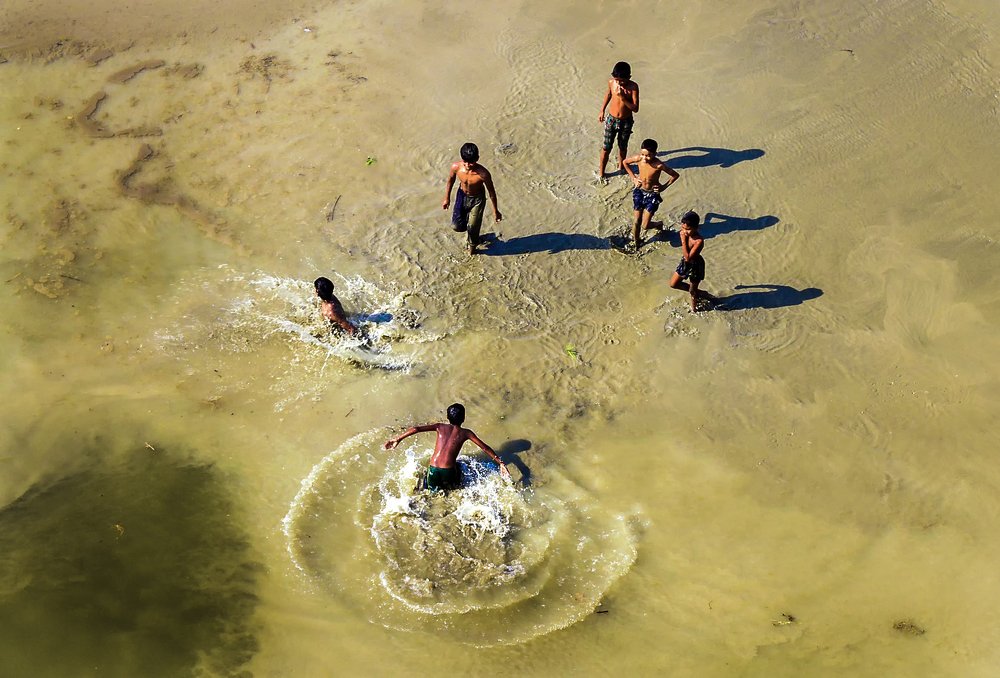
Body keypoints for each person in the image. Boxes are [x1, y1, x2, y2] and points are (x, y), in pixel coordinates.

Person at [383, 403, 512, 492]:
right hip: (448, 471)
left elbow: (416, 429)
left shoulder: (439, 427)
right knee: (458, 474)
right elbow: (484, 448)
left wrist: (397, 439)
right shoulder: (466, 433)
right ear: (464, 418)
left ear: (447, 417)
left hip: (433, 468)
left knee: (430, 491)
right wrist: (500, 462)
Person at [442, 143, 502, 255]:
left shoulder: (483, 174)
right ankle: (474, 235)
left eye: (471, 162)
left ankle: (472, 250)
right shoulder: (456, 167)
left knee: (473, 227)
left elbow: (491, 192)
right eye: (465, 162)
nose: (468, 165)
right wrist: (447, 198)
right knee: (456, 226)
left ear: (477, 159)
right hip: (462, 195)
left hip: (477, 200)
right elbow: (450, 181)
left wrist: (495, 211)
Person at [622, 138, 679, 250]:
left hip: (652, 195)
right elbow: (625, 162)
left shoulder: (659, 165)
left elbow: (675, 175)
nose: (644, 158)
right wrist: (633, 178)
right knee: (637, 221)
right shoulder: (639, 159)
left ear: (655, 154)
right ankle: (636, 243)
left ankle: (658, 224)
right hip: (639, 191)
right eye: (642, 154)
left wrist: (663, 187)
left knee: (645, 225)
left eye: (648, 155)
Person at [598, 61, 639, 182]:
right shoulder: (612, 82)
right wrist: (602, 110)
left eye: (622, 80)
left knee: (622, 146)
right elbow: (609, 94)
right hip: (611, 119)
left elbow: (635, 108)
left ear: (629, 77)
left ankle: (621, 167)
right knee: (606, 147)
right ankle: (601, 173)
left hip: (626, 121)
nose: (619, 83)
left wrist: (623, 98)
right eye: (617, 79)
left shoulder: (633, 87)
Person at [669, 211, 717, 312]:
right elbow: (685, 259)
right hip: (685, 263)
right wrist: (684, 236)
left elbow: (688, 258)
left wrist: (683, 240)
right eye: (683, 228)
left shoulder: (698, 241)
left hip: (696, 265)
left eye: (688, 229)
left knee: (692, 290)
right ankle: (701, 293)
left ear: (696, 228)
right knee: (673, 284)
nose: (685, 231)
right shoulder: (686, 234)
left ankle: (694, 309)